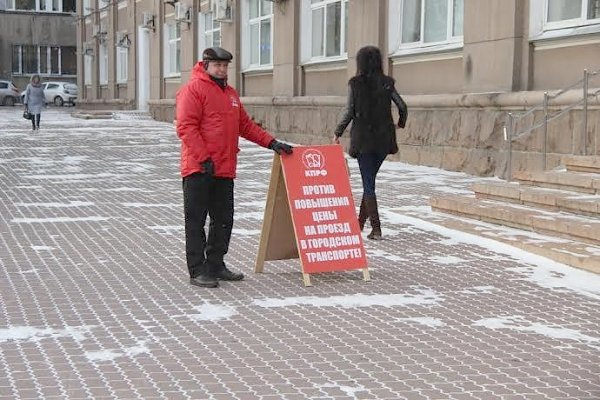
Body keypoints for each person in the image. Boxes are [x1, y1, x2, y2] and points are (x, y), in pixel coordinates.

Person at [176, 46, 293, 289]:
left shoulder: (230, 94)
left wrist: (272, 143)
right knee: (196, 220)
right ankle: (197, 270)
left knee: (223, 219)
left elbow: (246, 126)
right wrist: (203, 157)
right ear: (206, 65)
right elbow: (186, 126)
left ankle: (216, 264)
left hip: (224, 168)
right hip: (199, 168)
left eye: (225, 65)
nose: (221, 69)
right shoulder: (193, 90)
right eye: (217, 65)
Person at [333, 45, 407, 240]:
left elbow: (349, 111)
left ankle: (376, 229)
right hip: (384, 140)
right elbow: (402, 105)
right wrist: (400, 123)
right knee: (370, 180)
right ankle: (359, 224)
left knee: (368, 184)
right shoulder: (387, 83)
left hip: (364, 140)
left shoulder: (355, 84)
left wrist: (337, 132)